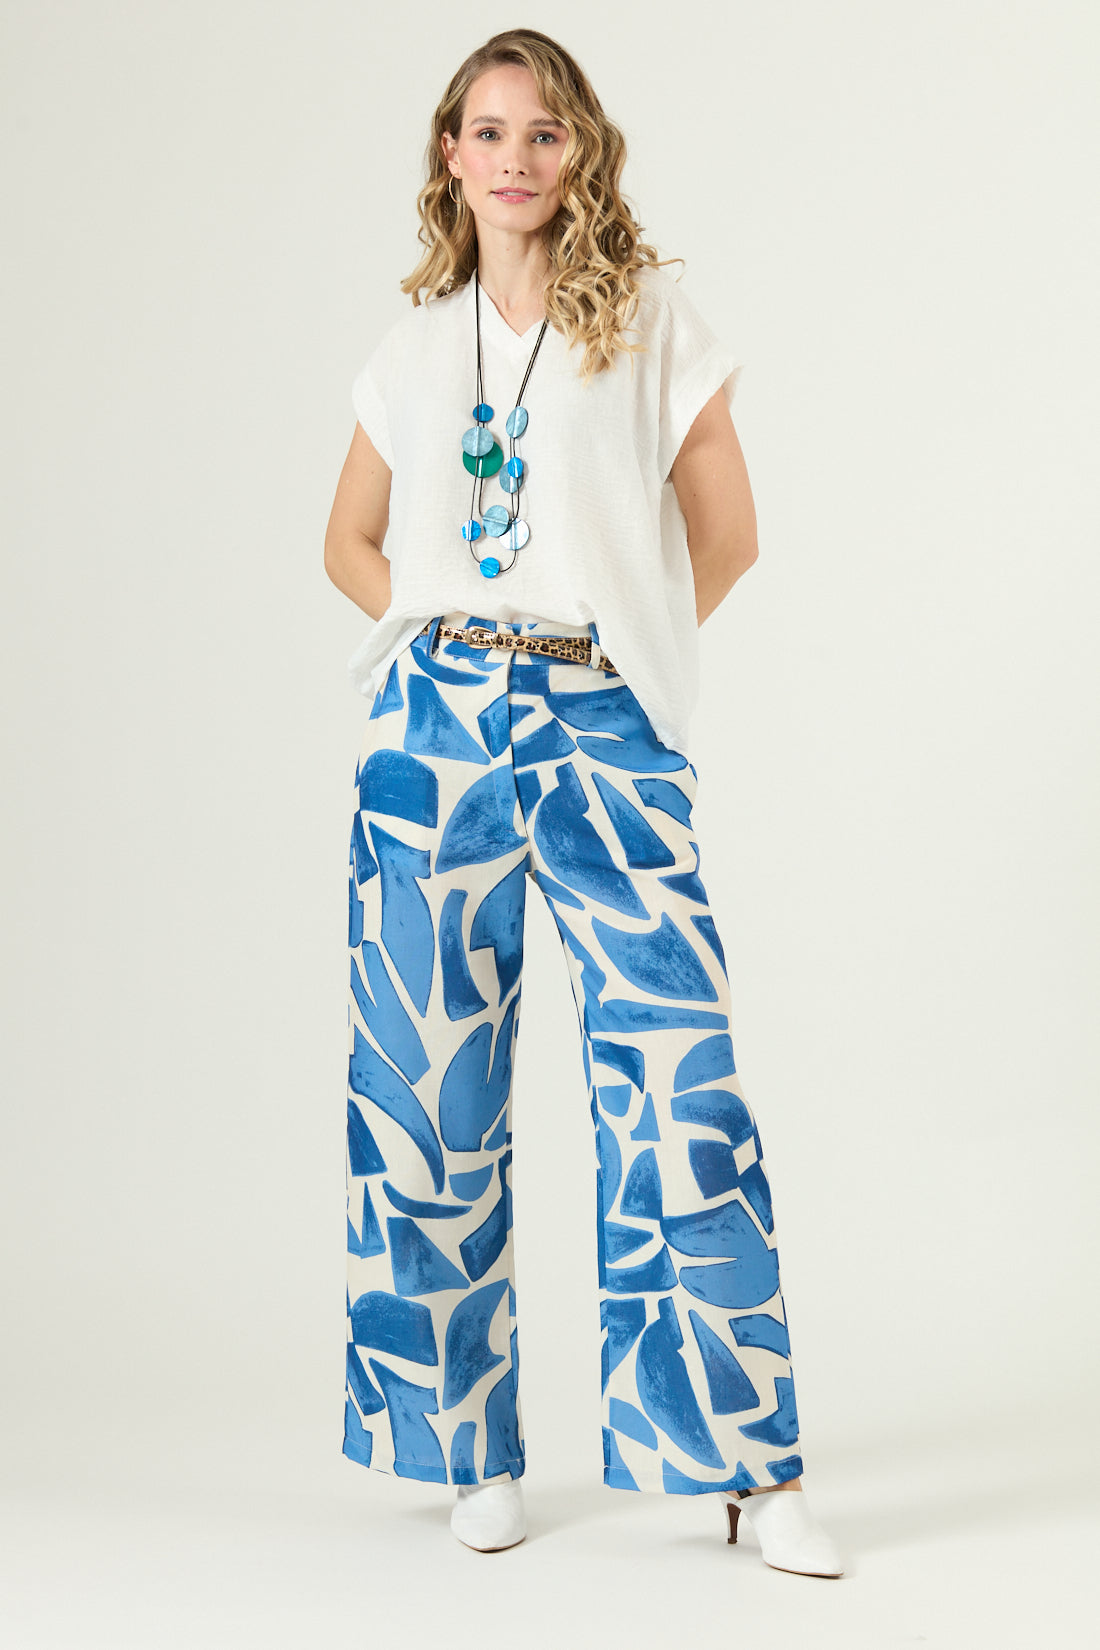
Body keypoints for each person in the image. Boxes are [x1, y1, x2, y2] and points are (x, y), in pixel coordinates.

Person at [323, 28, 845, 1578]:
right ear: (450, 155)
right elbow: (347, 539)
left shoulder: (651, 317)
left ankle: (750, 1465)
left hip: (598, 720)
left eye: (544, 133)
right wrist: (436, 624)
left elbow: (729, 536)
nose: (516, 158)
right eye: (488, 131)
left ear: (581, 153)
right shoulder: (413, 349)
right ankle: (465, 1446)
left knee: (680, 1086)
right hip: (433, 734)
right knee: (426, 1098)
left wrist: (620, 654)